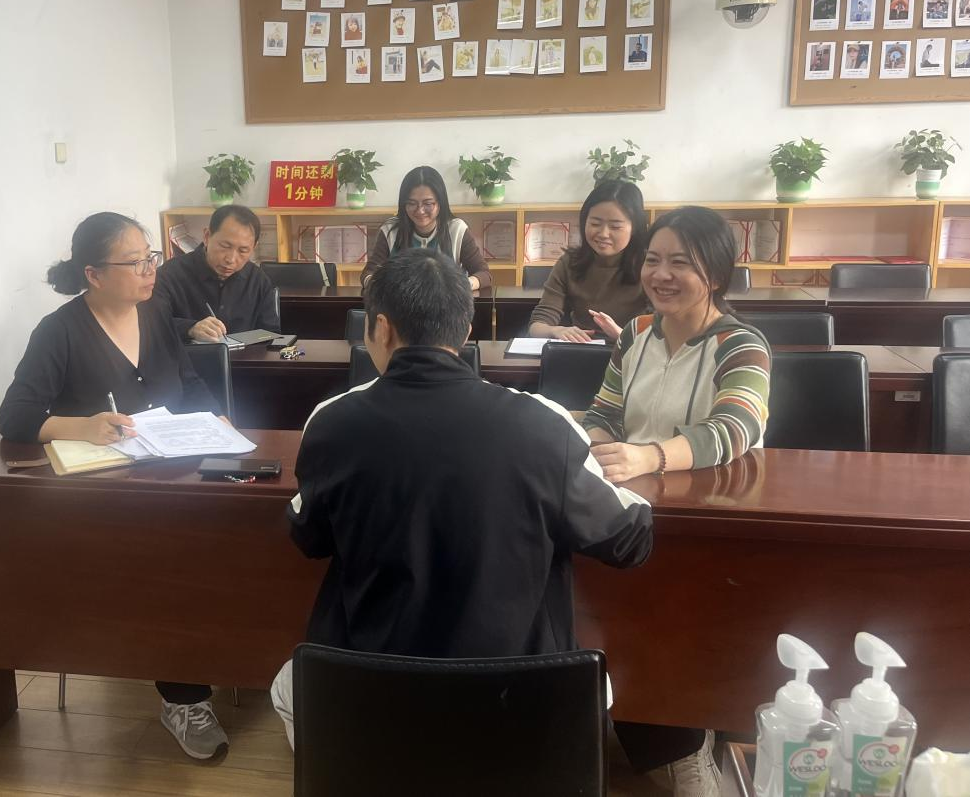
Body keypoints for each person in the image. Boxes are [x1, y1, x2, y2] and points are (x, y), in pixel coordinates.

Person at [271, 247, 653, 750]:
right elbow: (628, 541)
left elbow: (309, 537)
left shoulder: (332, 421)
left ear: (380, 328)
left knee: (286, 689)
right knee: (590, 685)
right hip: (516, 695)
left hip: (372, 687)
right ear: (466, 331)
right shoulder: (544, 424)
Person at [0, 212, 231, 761]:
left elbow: (191, 385)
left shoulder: (156, 312)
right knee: (173, 567)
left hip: (178, 481)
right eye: (136, 262)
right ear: (94, 274)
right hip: (107, 500)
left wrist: (217, 421)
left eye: (152, 258)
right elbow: (14, 417)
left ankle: (253, 664)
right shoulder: (59, 331)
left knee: (244, 544)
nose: (151, 271)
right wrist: (81, 426)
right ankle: (185, 698)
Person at [582, 205, 771, 796]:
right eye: (653, 260)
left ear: (714, 273)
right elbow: (604, 412)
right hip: (632, 510)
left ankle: (683, 747)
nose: (661, 275)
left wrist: (649, 456)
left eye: (680, 263)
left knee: (674, 620)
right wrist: (595, 442)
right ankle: (641, 727)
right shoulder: (636, 334)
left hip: (711, 521)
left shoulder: (741, 344)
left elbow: (736, 427)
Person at [529, 181, 649, 342]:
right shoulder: (570, 262)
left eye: (615, 227)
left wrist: (622, 336)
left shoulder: (650, 266)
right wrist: (555, 330)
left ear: (634, 228)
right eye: (595, 223)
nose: (603, 234)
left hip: (633, 352)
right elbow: (537, 325)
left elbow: (663, 331)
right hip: (582, 349)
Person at [152, 205, 280, 343]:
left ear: (253, 248)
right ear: (207, 236)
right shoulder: (170, 275)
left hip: (244, 357)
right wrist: (190, 329)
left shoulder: (257, 280)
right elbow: (150, 324)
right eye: (225, 246)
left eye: (243, 251)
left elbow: (270, 334)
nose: (231, 259)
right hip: (188, 356)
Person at [361, 167, 491, 290]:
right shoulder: (390, 230)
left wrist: (460, 286)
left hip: (446, 303)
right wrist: (379, 285)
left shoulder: (456, 229)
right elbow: (368, 274)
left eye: (428, 203)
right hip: (401, 303)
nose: (420, 211)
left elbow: (484, 274)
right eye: (412, 203)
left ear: (440, 203)